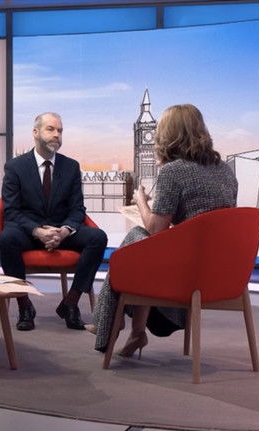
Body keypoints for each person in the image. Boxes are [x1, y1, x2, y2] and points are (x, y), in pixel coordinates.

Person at [90, 103, 238, 355]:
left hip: (185, 273)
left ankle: (109, 320)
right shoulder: (224, 170)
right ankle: (135, 332)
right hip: (220, 271)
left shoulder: (173, 172)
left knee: (138, 239)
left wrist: (140, 201)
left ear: (168, 134)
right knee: (141, 245)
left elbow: (156, 229)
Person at [0, 112, 107, 331]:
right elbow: (11, 211)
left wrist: (64, 231)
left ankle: (71, 302)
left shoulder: (71, 167)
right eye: (51, 129)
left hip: (61, 231)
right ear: (35, 132)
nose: (57, 134)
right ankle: (24, 305)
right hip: (29, 232)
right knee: (7, 238)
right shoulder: (15, 167)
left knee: (98, 237)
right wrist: (37, 231)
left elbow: (78, 209)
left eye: (60, 131)